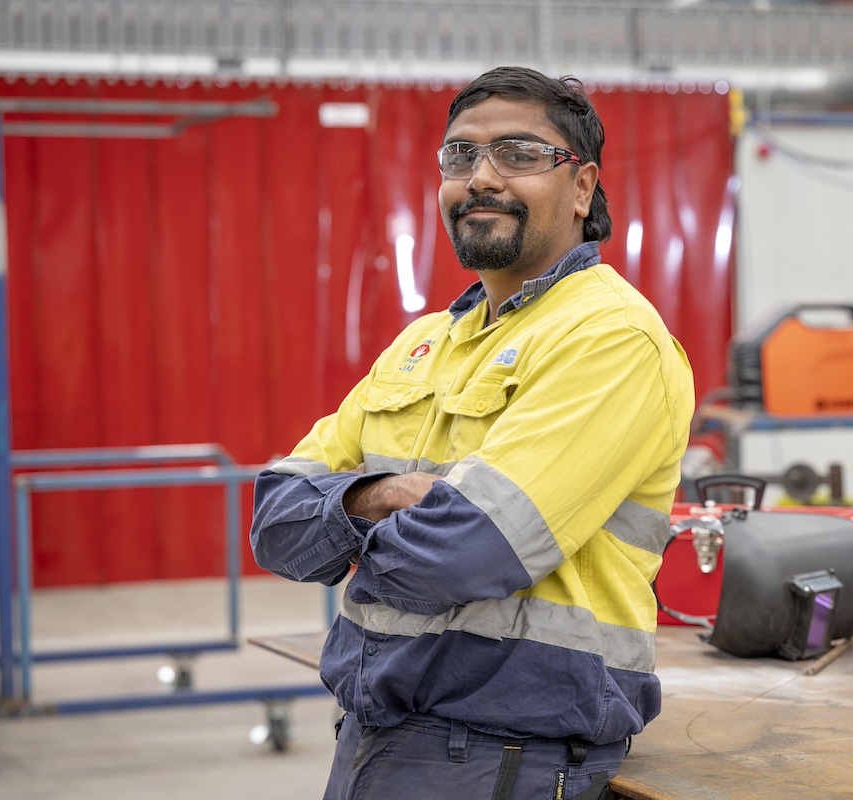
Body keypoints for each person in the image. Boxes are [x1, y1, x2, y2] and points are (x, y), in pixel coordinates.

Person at [250, 65, 695, 800]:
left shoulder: (610, 337)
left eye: (519, 154)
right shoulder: (426, 342)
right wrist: (384, 496)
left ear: (582, 187)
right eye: (461, 156)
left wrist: (348, 533)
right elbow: (275, 523)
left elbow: (467, 554)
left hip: (509, 755)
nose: (481, 177)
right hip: (371, 734)